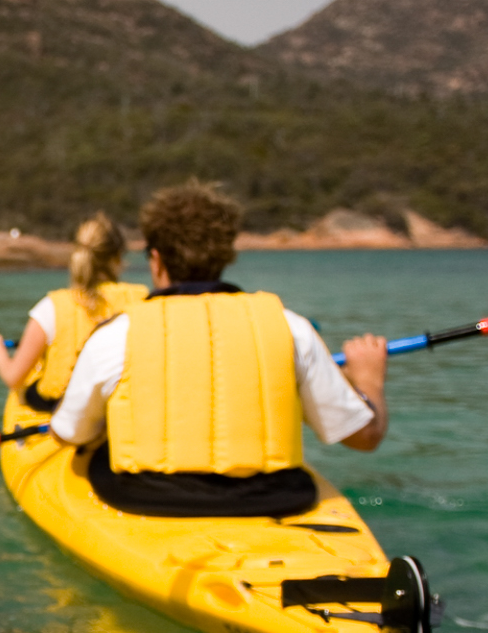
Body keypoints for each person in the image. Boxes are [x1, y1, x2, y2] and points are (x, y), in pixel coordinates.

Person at [48, 182, 390, 517]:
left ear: (156, 259)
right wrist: (369, 379)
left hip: (147, 499)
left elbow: (68, 433)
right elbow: (365, 437)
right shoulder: (290, 327)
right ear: (227, 254)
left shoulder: (114, 335)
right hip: (273, 498)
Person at [0, 211, 145, 409]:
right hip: (118, 418)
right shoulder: (141, 300)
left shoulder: (52, 308)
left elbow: (13, 377)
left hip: (61, 425)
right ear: (118, 258)